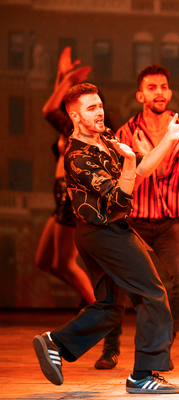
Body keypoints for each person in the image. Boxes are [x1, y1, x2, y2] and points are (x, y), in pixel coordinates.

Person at [33, 83, 179, 394]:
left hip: (105, 231)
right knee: (153, 294)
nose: (99, 112)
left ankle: (55, 342)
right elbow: (119, 199)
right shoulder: (77, 157)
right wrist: (129, 162)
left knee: (110, 306)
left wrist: (170, 139)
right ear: (74, 116)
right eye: (91, 108)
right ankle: (143, 375)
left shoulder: (105, 137)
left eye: (99, 105)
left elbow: (143, 170)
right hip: (103, 233)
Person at [93, 64, 179, 370]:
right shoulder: (126, 132)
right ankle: (111, 346)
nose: (159, 93)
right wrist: (138, 159)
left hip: (170, 224)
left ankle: (162, 343)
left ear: (170, 92)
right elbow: (123, 182)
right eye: (152, 88)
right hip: (133, 222)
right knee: (117, 284)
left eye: (163, 87)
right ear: (141, 94)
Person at [35, 46, 95, 306]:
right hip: (61, 196)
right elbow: (58, 105)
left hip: (71, 195)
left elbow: (49, 109)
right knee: (45, 261)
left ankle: (104, 311)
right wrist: (63, 77)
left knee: (66, 263)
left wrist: (68, 80)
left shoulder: (80, 128)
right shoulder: (72, 125)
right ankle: (93, 298)